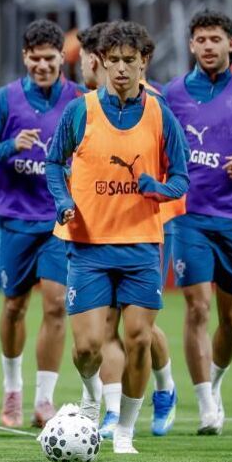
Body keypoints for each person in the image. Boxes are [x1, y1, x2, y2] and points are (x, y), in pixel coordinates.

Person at [46, 20, 189, 454]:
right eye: (114, 61)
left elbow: (181, 178)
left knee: (139, 339)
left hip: (142, 244)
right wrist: (63, 201)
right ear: (101, 63)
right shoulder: (80, 110)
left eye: (131, 61)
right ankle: (91, 395)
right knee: (87, 347)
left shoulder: (161, 113)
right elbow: (55, 163)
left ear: (144, 62)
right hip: (87, 245)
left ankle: (124, 429)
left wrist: (158, 189)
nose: (122, 69)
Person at [0, 19, 84, 428]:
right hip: (16, 219)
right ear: (25, 57)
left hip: (57, 219)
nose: (42, 65)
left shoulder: (79, 99)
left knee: (56, 305)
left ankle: (44, 400)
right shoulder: (5, 99)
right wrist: (9, 146)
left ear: (62, 58)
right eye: (34, 59)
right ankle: (12, 390)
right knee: (15, 306)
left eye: (49, 58)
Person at [79, 26, 180, 439]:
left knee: (139, 328)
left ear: (138, 60)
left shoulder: (153, 103)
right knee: (104, 328)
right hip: (102, 230)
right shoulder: (85, 103)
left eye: (124, 58)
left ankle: (165, 385)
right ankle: (113, 409)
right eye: (101, 57)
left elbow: (175, 165)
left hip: (151, 223)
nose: (101, 64)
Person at [164, 8, 232, 435]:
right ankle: (204, 405)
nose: (208, 46)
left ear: (230, 44)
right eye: (201, 39)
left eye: (216, 39)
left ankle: (213, 383)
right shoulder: (173, 94)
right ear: (191, 45)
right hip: (189, 217)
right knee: (198, 306)